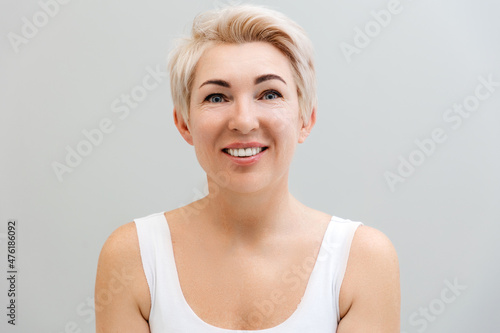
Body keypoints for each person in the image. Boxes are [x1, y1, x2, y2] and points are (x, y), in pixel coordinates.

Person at [95, 4, 400, 332]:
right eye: (216, 97)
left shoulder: (362, 259)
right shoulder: (133, 257)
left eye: (269, 94)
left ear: (305, 120)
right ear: (184, 123)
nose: (243, 121)